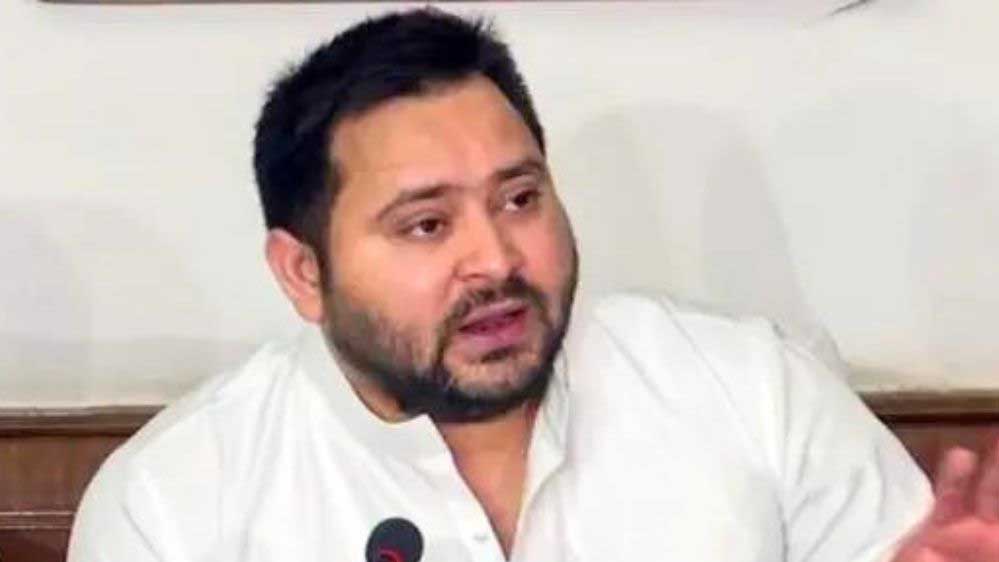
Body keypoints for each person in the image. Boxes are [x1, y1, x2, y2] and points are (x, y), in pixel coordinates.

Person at [68, 8, 999, 562]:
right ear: (303, 272)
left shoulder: (753, 393)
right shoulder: (178, 505)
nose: (497, 259)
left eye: (519, 199)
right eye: (427, 224)